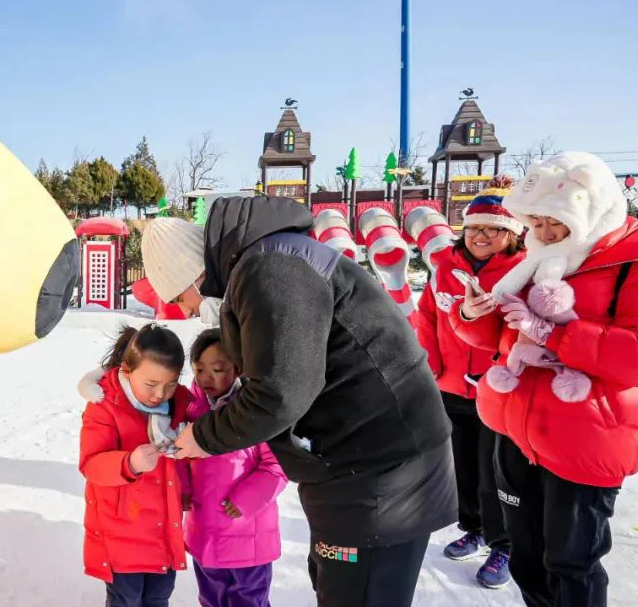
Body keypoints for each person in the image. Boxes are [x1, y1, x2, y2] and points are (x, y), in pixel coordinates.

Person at [138, 199, 457, 607]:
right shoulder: (265, 264)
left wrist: (204, 437)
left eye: (179, 298)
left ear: (193, 276)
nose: (185, 310)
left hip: (383, 472)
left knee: (359, 592)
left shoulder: (270, 269)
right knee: (336, 584)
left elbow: (279, 392)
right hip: (353, 463)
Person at [452, 152, 638, 607]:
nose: (544, 235)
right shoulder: (536, 258)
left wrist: (555, 332)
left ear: (591, 210)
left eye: (557, 224)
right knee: (528, 558)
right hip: (516, 427)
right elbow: (497, 337)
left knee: (571, 564)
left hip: (587, 435)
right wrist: (471, 312)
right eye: (537, 223)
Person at [411, 176, 525, 588]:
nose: (479, 236)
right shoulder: (445, 267)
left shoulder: (522, 271)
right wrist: (434, 366)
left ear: (511, 234)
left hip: (499, 392)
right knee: (462, 464)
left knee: (498, 470)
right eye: (473, 227)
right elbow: (427, 319)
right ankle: (473, 526)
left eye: (491, 228)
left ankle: (505, 543)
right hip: (452, 386)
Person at [79, 323, 193, 607]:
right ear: (128, 372)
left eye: (170, 384)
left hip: (163, 528)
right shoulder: (106, 403)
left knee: (158, 597)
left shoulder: (181, 403)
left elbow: (192, 455)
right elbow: (91, 464)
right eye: (151, 384)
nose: (160, 394)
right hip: (121, 531)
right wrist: (128, 462)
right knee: (126, 599)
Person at [184, 328, 288, 607]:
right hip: (204, 534)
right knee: (211, 599)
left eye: (217, 369)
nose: (206, 377)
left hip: (246, 537)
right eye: (199, 369)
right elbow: (180, 458)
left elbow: (277, 464)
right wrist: (182, 490)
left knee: (247, 600)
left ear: (238, 368)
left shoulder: (253, 411)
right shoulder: (191, 408)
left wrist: (246, 499)